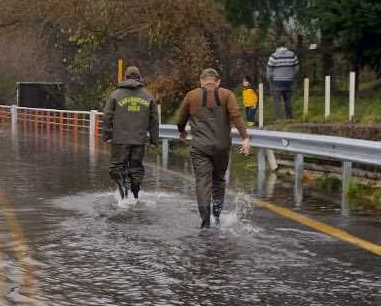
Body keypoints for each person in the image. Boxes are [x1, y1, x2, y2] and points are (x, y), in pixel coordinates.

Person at [174, 68, 250, 229]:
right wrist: (245, 138)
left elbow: (180, 119)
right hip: (222, 147)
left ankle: (205, 222)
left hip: (200, 148)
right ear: (218, 82)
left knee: (202, 182)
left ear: (201, 81)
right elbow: (236, 116)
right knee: (219, 180)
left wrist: (182, 131)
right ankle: (216, 216)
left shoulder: (191, 96)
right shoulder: (227, 95)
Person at [100, 66, 159, 201]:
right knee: (136, 168)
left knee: (117, 166)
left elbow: (107, 116)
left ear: (125, 78)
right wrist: (154, 140)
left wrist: (107, 135)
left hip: (120, 139)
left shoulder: (116, 95)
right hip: (139, 140)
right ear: (139, 78)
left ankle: (122, 187)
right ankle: (136, 196)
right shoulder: (147, 95)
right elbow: (154, 120)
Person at [267, 44, 300, 120]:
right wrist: (292, 75)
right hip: (289, 81)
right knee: (288, 100)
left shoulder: (274, 56)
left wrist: (270, 79)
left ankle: (278, 118)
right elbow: (297, 67)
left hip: (276, 81)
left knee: (277, 101)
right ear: (285, 46)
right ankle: (289, 117)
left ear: (277, 47)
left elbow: (269, 70)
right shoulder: (292, 55)